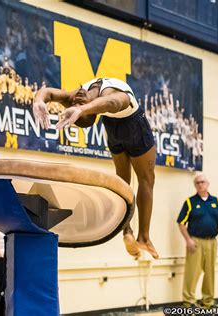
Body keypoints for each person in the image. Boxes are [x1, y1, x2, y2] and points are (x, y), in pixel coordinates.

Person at [33, 78, 159, 259]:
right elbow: (111, 102)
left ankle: (130, 232)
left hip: (116, 127)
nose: (77, 98)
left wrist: (42, 101)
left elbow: (50, 93)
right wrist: (42, 102)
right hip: (132, 126)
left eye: (78, 101)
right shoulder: (109, 95)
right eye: (78, 102)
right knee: (143, 180)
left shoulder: (83, 96)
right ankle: (141, 237)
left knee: (124, 180)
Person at [176, 173, 218, 309]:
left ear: (207, 184)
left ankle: (208, 302)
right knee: (192, 273)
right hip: (195, 242)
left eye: (202, 182)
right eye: (197, 183)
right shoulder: (190, 202)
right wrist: (188, 240)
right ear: (195, 186)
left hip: (212, 242)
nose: (200, 184)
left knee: (210, 273)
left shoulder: (216, 202)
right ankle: (188, 302)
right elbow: (181, 223)